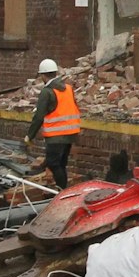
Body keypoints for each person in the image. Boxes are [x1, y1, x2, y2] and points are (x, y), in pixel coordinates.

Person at [25, 58, 81, 190]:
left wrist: (30, 135)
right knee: (61, 164)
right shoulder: (68, 88)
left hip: (56, 135)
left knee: (53, 163)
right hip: (71, 133)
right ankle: (62, 190)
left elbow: (39, 116)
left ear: (43, 75)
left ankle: (61, 191)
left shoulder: (47, 92)